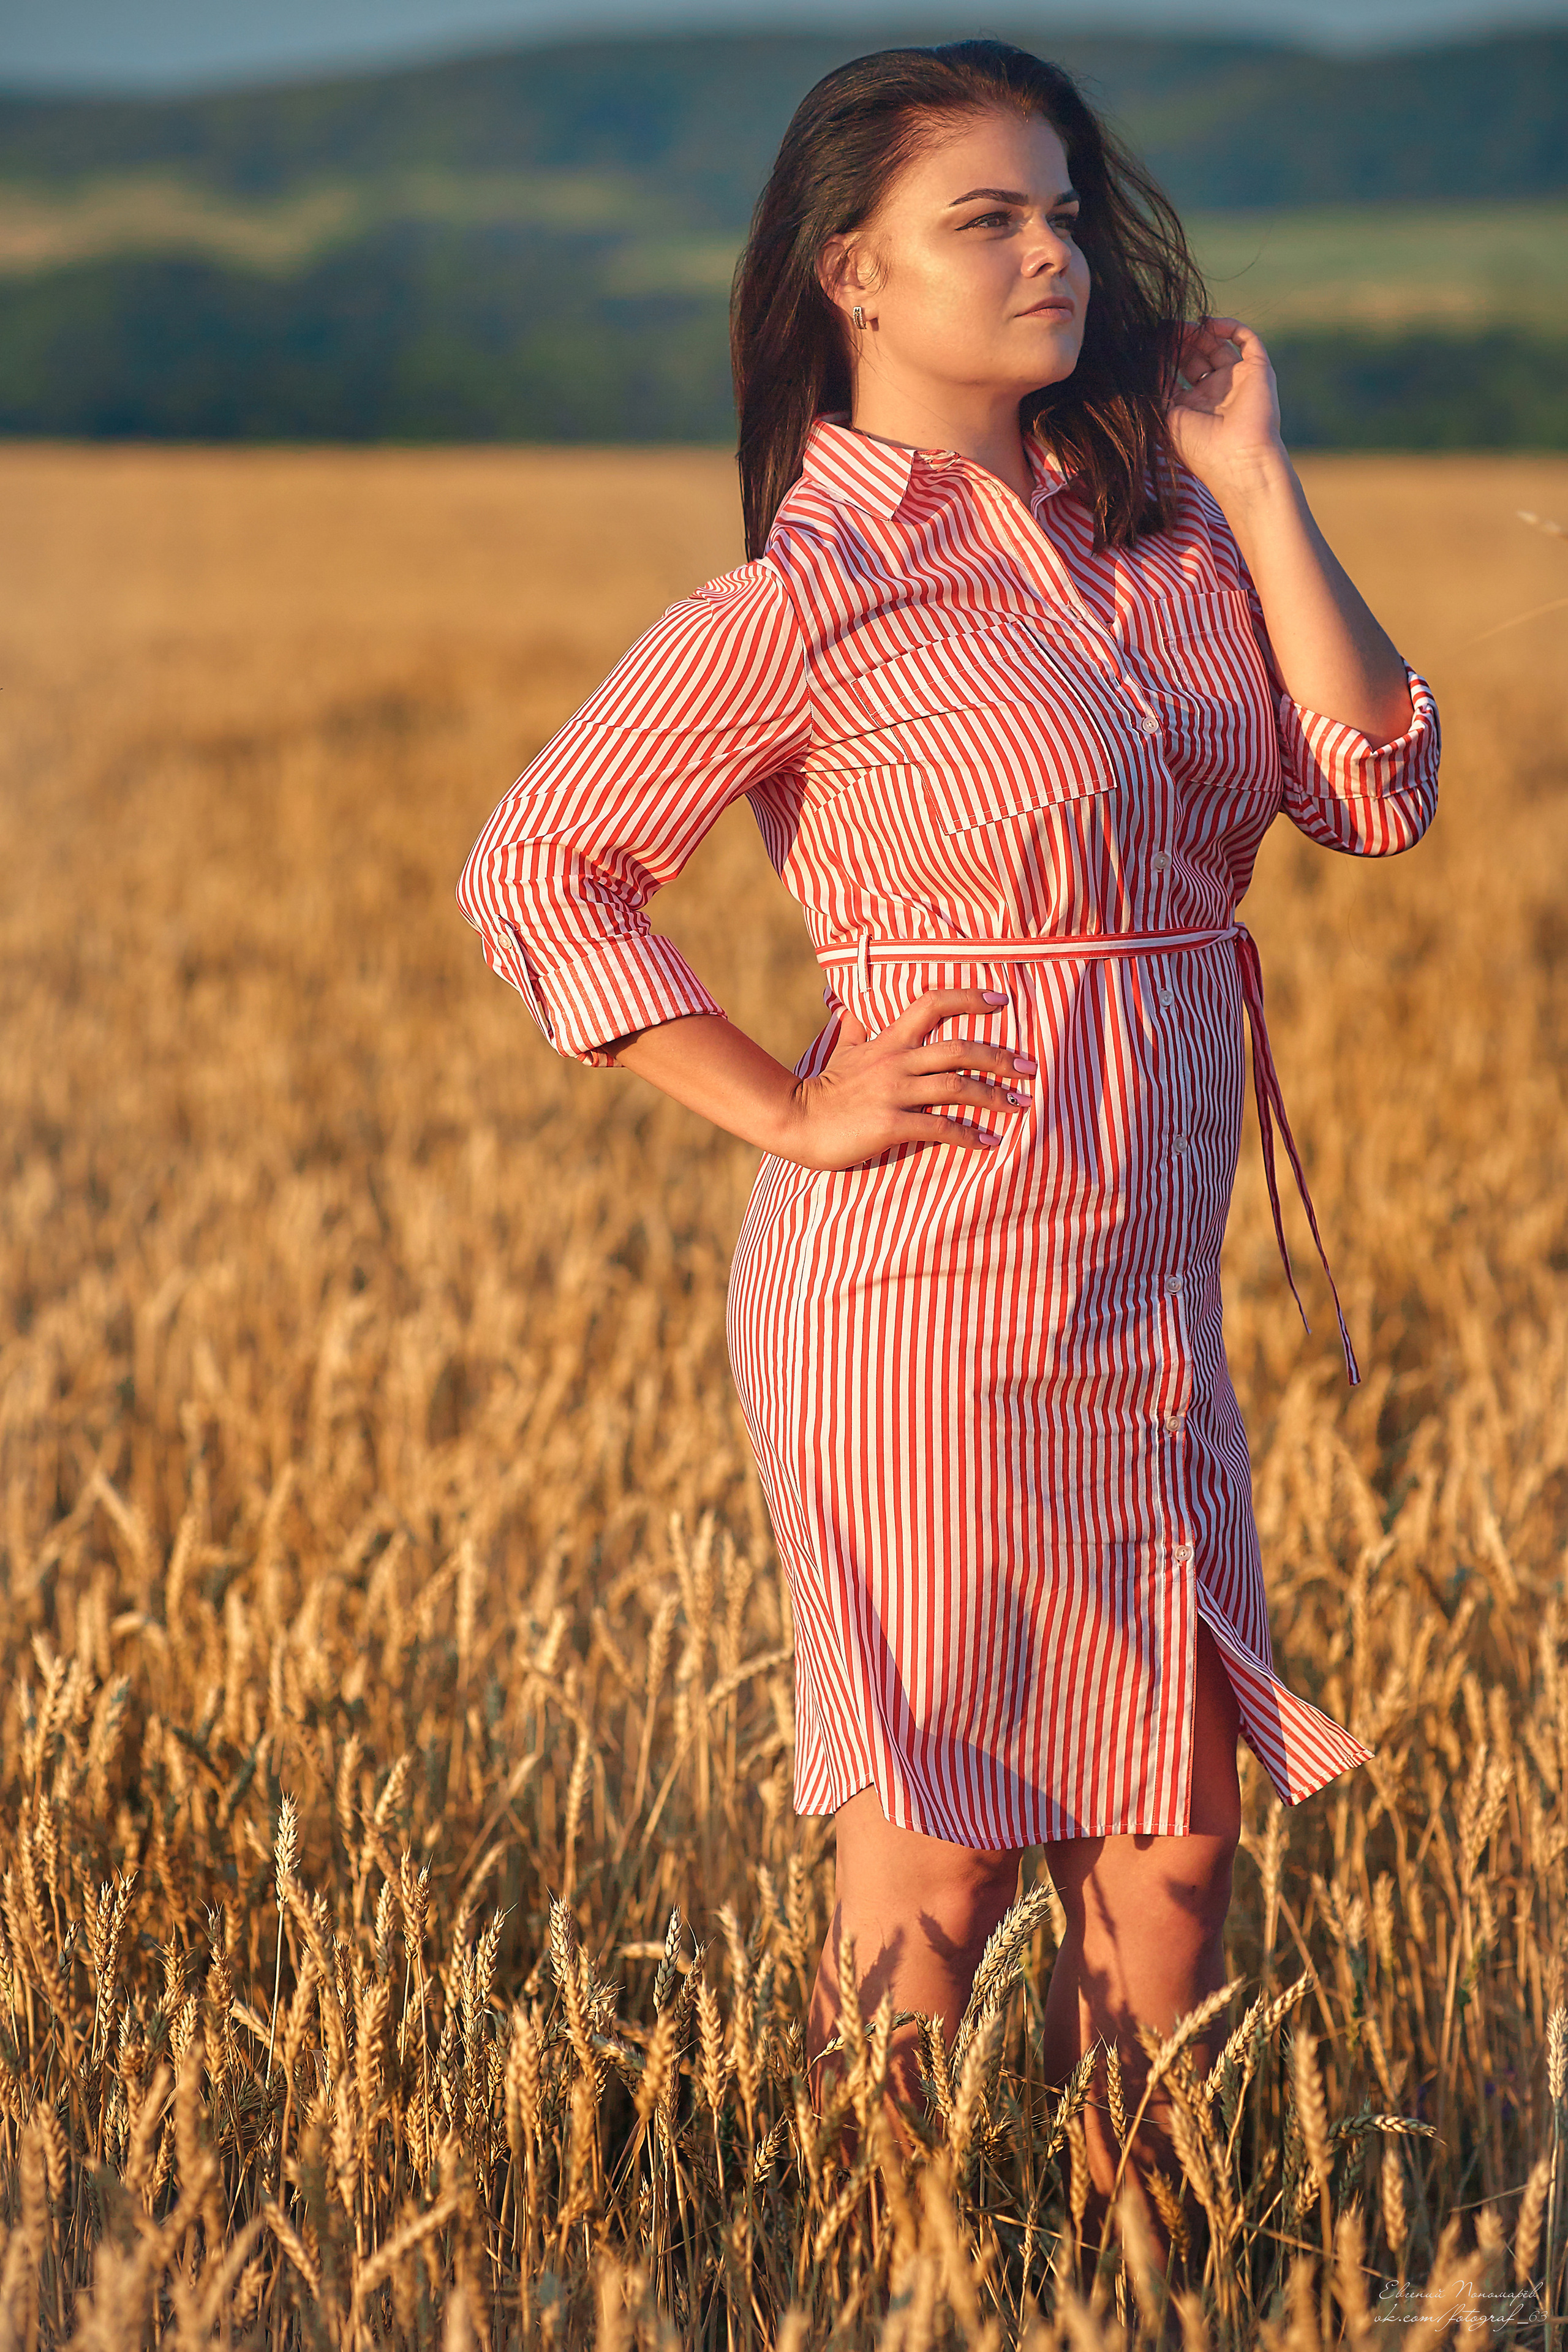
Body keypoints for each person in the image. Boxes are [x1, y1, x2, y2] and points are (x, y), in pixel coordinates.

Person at [456, 39, 1438, 2271]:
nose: (1052, 250)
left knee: (1178, 1830)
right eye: (987, 218)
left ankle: (1135, 2274)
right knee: (942, 1860)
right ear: (852, 277)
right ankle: (876, 2277)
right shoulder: (805, 598)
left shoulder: (1166, 543)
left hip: (1142, 1296)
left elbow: (1375, 793)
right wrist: (789, 1104)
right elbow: (540, 870)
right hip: (919, 1294)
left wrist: (1262, 484)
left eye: (1066, 208)